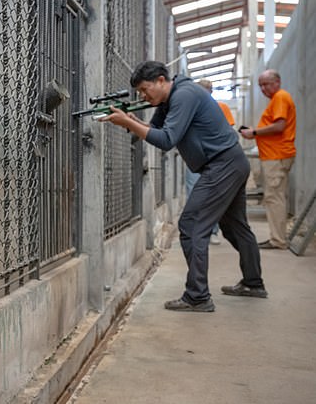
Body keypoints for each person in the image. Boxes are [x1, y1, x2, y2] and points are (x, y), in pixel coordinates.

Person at [102, 61, 266, 312]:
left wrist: (129, 123)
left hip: (222, 165)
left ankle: (198, 296)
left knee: (191, 224)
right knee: (235, 227)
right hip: (230, 163)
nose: (144, 96)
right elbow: (156, 131)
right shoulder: (168, 100)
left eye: (146, 90)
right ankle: (253, 284)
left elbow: (167, 140)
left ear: (160, 80)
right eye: (140, 93)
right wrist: (131, 120)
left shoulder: (184, 95)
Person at [240, 69, 296, 250]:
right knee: (274, 197)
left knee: (274, 198)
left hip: (277, 155)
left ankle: (278, 240)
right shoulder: (277, 99)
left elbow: (279, 126)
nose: (263, 89)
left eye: (266, 84)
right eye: (260, 85)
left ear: (277, 82)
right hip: (275, 154)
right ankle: (277, 237)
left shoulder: (280, 97)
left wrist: (254, 132)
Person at [185, 79, 237, 245]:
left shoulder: (220, 107)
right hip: (196, 158)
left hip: (215, 159)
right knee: (194, 193)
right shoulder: (189, 107)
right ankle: (197, 230)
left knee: (212, 196)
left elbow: (228, 132)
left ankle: (211, 230)